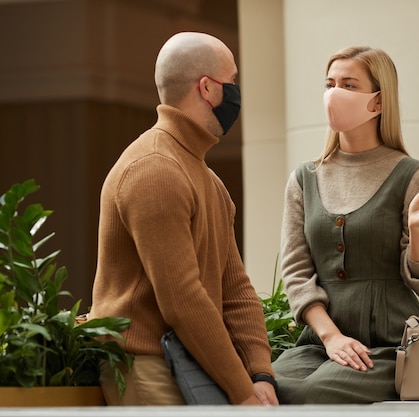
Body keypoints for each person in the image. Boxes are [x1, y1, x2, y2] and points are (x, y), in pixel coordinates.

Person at [89, 32, 278, 406]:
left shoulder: (206, 179)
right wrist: (243, 393)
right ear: (208, 88)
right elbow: (183, 299)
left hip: (187, 366)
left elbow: (236, 289)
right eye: (233, 81)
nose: (237, 92)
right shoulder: (155, 170)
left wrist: (260, 375)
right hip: (147, 370)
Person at [271, 46, 419, 403]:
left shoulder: (412, 176)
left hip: (389, 345)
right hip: (319, 343)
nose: (334, 93)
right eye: (330, 83)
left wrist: (418, 231)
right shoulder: (304, 179)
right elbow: (296, 273)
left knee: (314, 394)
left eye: (349, 84)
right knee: (264, 388)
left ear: (379, 102)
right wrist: (330, 337)